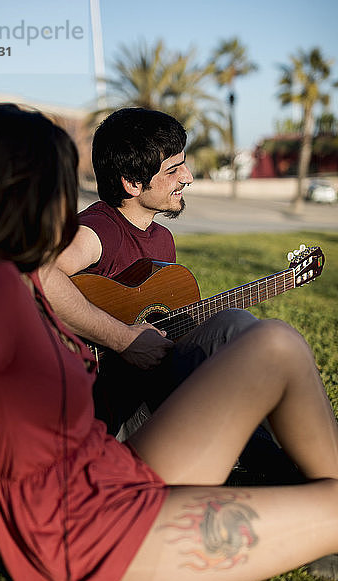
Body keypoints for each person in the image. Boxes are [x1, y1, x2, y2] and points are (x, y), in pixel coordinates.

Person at [0, 103, 338, 581]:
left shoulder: (10, 280)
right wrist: (123, 339)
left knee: (272, 341)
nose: (69, 209)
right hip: (92, 536)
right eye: (61, 187)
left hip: (115, 473)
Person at [39, 107, 298, 482]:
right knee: (236, 329)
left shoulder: (163, 241)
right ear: (131, 183)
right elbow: (40, 275)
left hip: (155, 400)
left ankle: (285, 464)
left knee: (235, 332)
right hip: (107, 414)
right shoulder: (98, 231)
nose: (188, 178)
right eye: (174, 170)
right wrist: (124, 338)